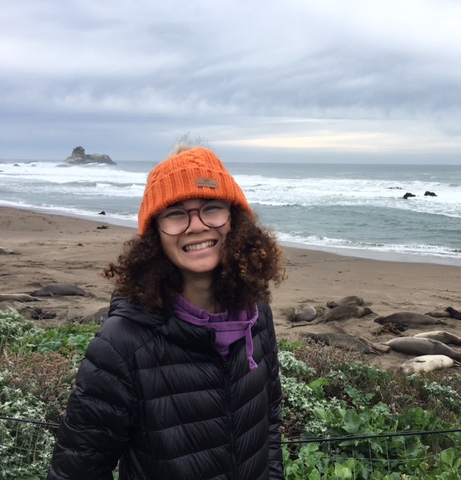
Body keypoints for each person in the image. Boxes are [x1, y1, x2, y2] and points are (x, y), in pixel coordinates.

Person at [47, 142, 287, 479]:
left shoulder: (257, 314)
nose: (196, 225)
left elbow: (269, 424)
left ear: (234, 219)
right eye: (175, 213)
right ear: (154, 235)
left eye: (212, 207)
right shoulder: (122, 344)